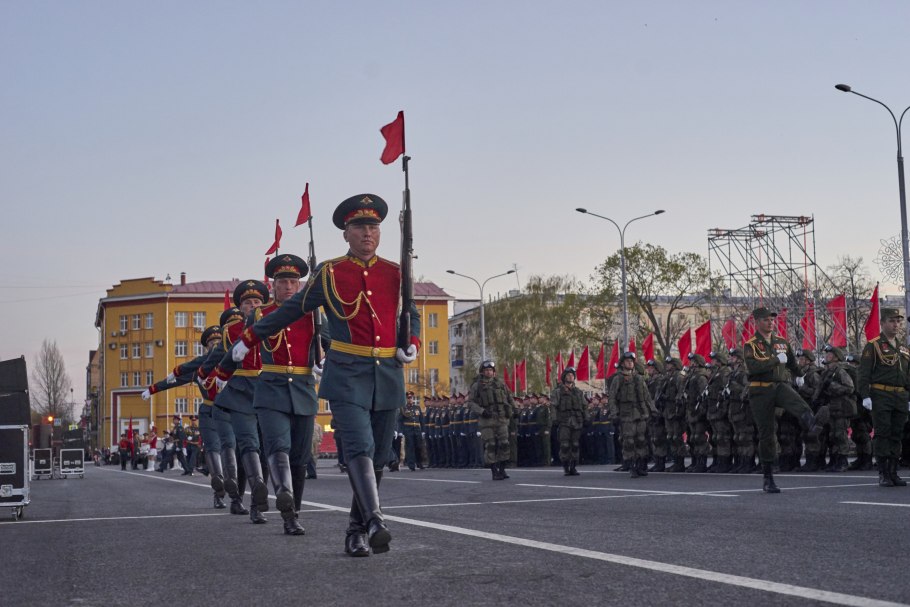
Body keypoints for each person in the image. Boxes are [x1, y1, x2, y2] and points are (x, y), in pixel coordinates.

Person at [233, 193, 420, 556]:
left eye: (373, 226)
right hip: (347, 374)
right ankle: (376, 520)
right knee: (359, 448)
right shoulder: (331, 273)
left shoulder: (396, 273)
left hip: (388, 375)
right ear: (346, 233)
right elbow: (292, 310)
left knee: (380, 455)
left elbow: (407, 312)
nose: (368, 233)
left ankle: (356, 528)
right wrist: (251, 334)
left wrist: (411, 340)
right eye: (360, 227)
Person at [234, 253, 318, 535]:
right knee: (277, 446)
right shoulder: (261, 314)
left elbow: (329, 340)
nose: (289, 286)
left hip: (304, 389)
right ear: (273, 284)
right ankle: (284, 503)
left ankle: (295, 512)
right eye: (283, 281)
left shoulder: (313, 312)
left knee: (300, 458)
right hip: (270, 388)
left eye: (294, 281)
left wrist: (326, 360)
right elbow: (246, 339)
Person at [743, 307, 819, 493]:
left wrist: (799, 374)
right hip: (760, 390)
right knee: (767, 434)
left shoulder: (781, 342)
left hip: (778, 385)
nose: (770, 323)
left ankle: (812, 424)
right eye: (766, 320)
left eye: (772, 320)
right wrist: (775, 360)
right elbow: (753, 367)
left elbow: (792, 361)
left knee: (799, 403)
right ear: (757, 322)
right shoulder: (751, 345)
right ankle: (768, 476)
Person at [215, 280, 270, 523]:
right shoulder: (232, 330)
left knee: (267, 449)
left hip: (268, 390)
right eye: (248, 303)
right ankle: (239, 496)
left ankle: (258, 503)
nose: (253, 306)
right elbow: (226, 356)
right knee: (248, 446)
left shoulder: (274, 321)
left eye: (257, 302)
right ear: (240, 306)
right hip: (240, 391)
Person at [856, 307, 910, 487]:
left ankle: (894, 471)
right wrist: (865, 395)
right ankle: (883, 472)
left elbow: (908, 375)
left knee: (897, 434)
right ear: (883, 323)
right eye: (891, 321)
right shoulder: (874, 345)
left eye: (898, 321)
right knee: (883, 433)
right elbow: (863, 373)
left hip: (900, 396)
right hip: (881, 394)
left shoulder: (903, 348)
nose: (896, 324)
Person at [608, 352, 657, 478]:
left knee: (641, 440)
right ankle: (632, 466)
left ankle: (641, 465)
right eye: (627, 361)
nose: (630, 363)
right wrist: (614, 414)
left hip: (640, 414)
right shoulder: (618, 378)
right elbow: (612, 398)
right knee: (629, 441)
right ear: (622, 363)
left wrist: (653, 410)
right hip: (626, 414)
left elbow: (647, 397)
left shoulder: (639, 378)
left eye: (631, 361)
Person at [468, 360, 514, 480]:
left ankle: (502, 469)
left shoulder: (501, 384)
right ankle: (494, 471)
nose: (489, 372)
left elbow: (509, 397)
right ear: (483, 372)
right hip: (487, 420)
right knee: (491, 445)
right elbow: (471, 403)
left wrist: (515, 410)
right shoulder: (477, 386)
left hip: (501, 418)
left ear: (494, 372)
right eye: (487, 370)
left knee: (505, 443)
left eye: (491, 370)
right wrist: (482, 411)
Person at [813, 345, 855, 473]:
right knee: (832, 435)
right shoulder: (827, 372)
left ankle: (843, 461)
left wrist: (832, 386)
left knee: (840, 435)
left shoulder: (840, 371)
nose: (827, 356)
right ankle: (835, 460)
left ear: (836, 357)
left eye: (830, 354)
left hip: (841, 407)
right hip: (831, 407)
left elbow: (849, 388)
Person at [551, 366, 589, 476]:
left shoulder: (578, 392)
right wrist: (554, 419)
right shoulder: (558, 392)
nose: (570, 377)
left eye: (572, 375)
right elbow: (553, 406)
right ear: (564, 377)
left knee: (575, 444)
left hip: (577, 421)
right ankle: (565, 465)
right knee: (565, 445)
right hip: (564, 421)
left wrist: (586, 418)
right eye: (568, 375)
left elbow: (584, 406)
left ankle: (573, 466)